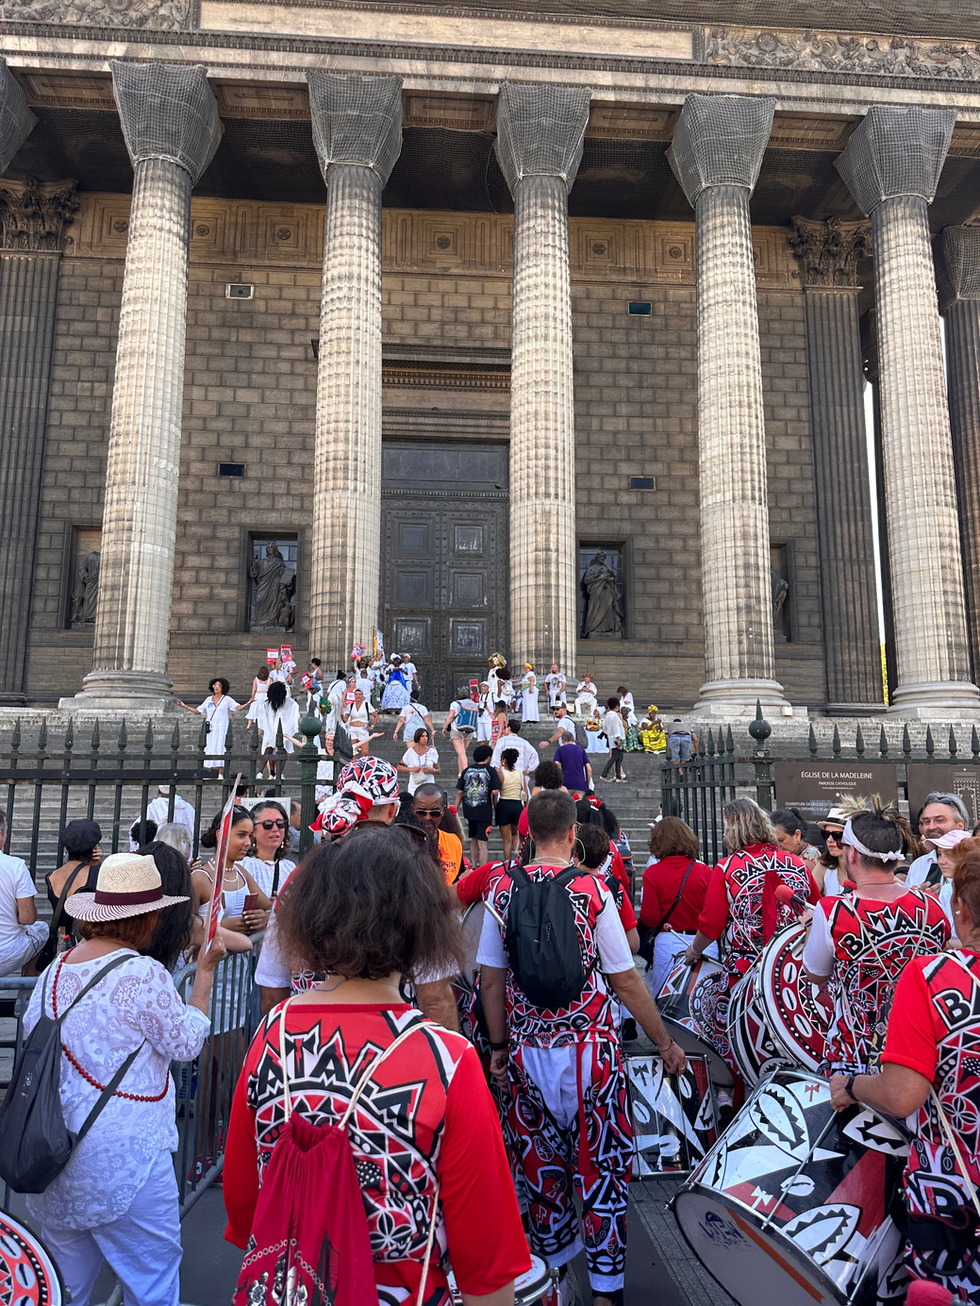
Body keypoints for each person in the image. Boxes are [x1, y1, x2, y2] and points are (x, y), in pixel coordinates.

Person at [223, 824, 531, 1304]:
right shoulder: (448, 1060)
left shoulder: (269, 1034)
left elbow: (244, 1204)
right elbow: (487, 1269)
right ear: (420, 926)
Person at [478, 790, 687, 1306]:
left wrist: (499, 1048)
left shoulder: (500, 889)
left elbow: (489, 980)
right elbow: (626, 980)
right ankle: (606, 1290)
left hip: (527, 1052)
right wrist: (662, 1041)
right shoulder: (593, 890)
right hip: (591, 1051)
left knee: (540, 1168)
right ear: (573, 834)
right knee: (602, 1167)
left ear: (526, 833)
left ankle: (552, 1282)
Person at [22, 852, 227, 1306]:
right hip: (127, 1157)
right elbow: (187, 1043)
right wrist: (204, 978)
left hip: (55, 1148)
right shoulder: (142, 973)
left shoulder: (53, 972)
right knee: (151, 1281)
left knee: (64, 1286)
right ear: (148, 917)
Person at [829, 850, 980, 1305]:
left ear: (963, 912)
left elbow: (900, 1095)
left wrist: (852, 1085)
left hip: (956, 1197)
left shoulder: (935, 978)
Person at [260, 758, 459, 1032]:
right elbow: (435, 999)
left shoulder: (298, 881)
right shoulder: (415, 875)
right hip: (396, 1047)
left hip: (311, 1046)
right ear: (392, 810)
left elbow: (272, 989)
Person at [803, 800, 951, 1074]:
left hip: (855, 1056)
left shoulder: (833, 910)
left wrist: (811, 928)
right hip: (920, 1054)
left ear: (853, 856)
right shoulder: (932, 905)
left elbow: (815, 974)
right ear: (896, 858)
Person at [683, 798, 818, 1078]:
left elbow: (711, 924)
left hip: (747, 975)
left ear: (732, 830)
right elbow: (817, 911)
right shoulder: (797, 864)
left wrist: (694, 952)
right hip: (794, 971)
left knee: (744, 1045)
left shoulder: (726, 868)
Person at [639, 816, 716, 999]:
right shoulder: (705, 871)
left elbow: (650, 918)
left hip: (670, 942)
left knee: (666, 1002)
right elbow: (715, 912)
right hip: (704, 942)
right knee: (703, 1002)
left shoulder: (653, 873)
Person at [191, 808, 271, 942]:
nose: (248, 843)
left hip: (242, 961)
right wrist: (220, 927)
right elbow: (184, 928)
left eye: (250, 836)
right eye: (241, 835)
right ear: (220, 835)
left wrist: (264, 918)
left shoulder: (241, 872)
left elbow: (270, 908)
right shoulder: (200, 878)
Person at [0, 810, 47, 975]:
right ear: (1, 835)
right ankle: (24, 996)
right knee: (42, 930)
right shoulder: (15, 866)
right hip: (6, 952)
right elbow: (27, 918)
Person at [45, 819, 102, 943]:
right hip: (87, 941)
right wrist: (96, 865)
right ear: (94, 847)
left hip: (63, 940)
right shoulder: (95, 873)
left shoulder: (52, 876)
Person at [177, 678, 245, 774]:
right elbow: (198, 711)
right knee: (210, 747)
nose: (216, 688)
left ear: (223, 688)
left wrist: (248, 703)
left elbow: (237, 707)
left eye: (219, 686)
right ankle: (209, 772)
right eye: (215, 686)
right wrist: (185, 706)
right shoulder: (208, 699)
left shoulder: (226, 699)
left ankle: (220, 773)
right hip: (211, 728)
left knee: (221, 748)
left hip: (222, 727)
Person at [907, 792, 970, 890]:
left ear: (960, 826)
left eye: (939, 820)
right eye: (926, 822)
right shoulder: (918, 865)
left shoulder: (974, 863)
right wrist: (915, 899)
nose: (931, 827)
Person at [456, 742, 500, 867]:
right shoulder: (490, 770)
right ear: (487, 757)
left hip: (469, 810)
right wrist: (495, 805)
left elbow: (459, 792)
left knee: (473, 839)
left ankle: (474, 866)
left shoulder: (467, 770)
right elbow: (495, 791)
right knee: (483, 843)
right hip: (484, 811)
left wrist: (455, 809)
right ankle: (483, 869)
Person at [241, 799, 295, 898]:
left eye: (280, 823)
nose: (275, 829)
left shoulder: (290, 868)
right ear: (253, 830)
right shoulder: (243, 866)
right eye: (267, 824)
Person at [412, 784, 463, 884]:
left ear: (443, 811)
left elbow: (458, 879)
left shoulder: (453, 842)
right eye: (421, 812)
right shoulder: (402, 842)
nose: (427, 817)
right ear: (413, 810)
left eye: (434, 813)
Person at [771, 807, 823, 887]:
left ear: (797, 835)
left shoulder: (810, 855)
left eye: (781, 840)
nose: (777, 846)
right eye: (772, 842)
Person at [496, 747, 526, 864]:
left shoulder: (501, 774)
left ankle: (507, 864)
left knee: (506, 840)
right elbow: (525, 794)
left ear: (504, 760)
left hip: (504, 804)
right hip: (517, 805)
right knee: (516, 834)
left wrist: (495, 805)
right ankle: (517, 854)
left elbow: (496, 791)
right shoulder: (520, 774)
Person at [816, 806, 849, 896]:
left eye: (837, 835)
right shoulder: (824, 865)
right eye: (826, 834)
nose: (830, 839)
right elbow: (809, 895)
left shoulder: (865, 869)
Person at [399, 726, 441, 796]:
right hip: (414, 785)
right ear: (418, 738)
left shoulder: (432, 751)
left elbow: (438, 770)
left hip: (429, 784)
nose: (425, 738)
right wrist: (411, 769)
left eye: (426, 736)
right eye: (422, 736)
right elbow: (399, 766)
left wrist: (431, 770)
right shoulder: (410, 752)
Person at [342, 685, 382, 758]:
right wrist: (342, 715)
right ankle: (355, 768)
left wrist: (372, 726)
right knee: (354, 752)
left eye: (359, 694)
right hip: (352, 729)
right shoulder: (350, 705)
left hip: (362, 728)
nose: (358, 696)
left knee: (365, 752)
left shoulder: (366, 705)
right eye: (356, 694)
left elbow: (376, 716)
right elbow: (345, 720)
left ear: (362, 696)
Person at [443, 694, 478, 774]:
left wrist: (444, 727)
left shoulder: (454, 703)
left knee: (461, 753)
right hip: (469, 729)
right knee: (462, 753)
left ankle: (466, 771)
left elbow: (450, 716)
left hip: (456, 729)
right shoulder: (473, 704)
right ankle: (460, 774)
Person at [600, 696, 627, 783]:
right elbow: (616, 728)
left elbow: (605, 728)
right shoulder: (614, 716)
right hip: (616, 738)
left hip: (612, 738)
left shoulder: (608, 716)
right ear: (617, 707)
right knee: (615, 757)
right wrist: (618, 739)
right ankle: (604, 774)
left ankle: (618, 776)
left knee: (619, 757)